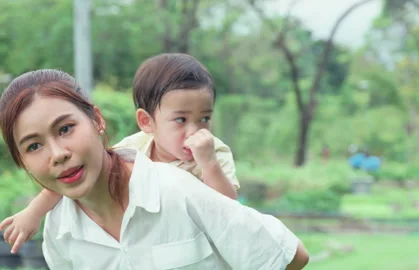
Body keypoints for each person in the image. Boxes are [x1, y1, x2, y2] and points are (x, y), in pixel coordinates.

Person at [0, 69, 309, 269]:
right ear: (22, 161)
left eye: (66, 128)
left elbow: (289, 258)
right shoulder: (60, 229)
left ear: (96, 120)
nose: (58, 154)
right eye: (34, 146)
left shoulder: (176, 188)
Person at [1, 53, 240, 253]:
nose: (193, 131)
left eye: (204, 118)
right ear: (147, 122)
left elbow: (230, 212)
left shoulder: (214, 152)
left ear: (97, 121)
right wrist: (33, 213)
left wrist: (209, 165)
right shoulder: (134, 148)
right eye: (180, 120)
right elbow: (74, 173)